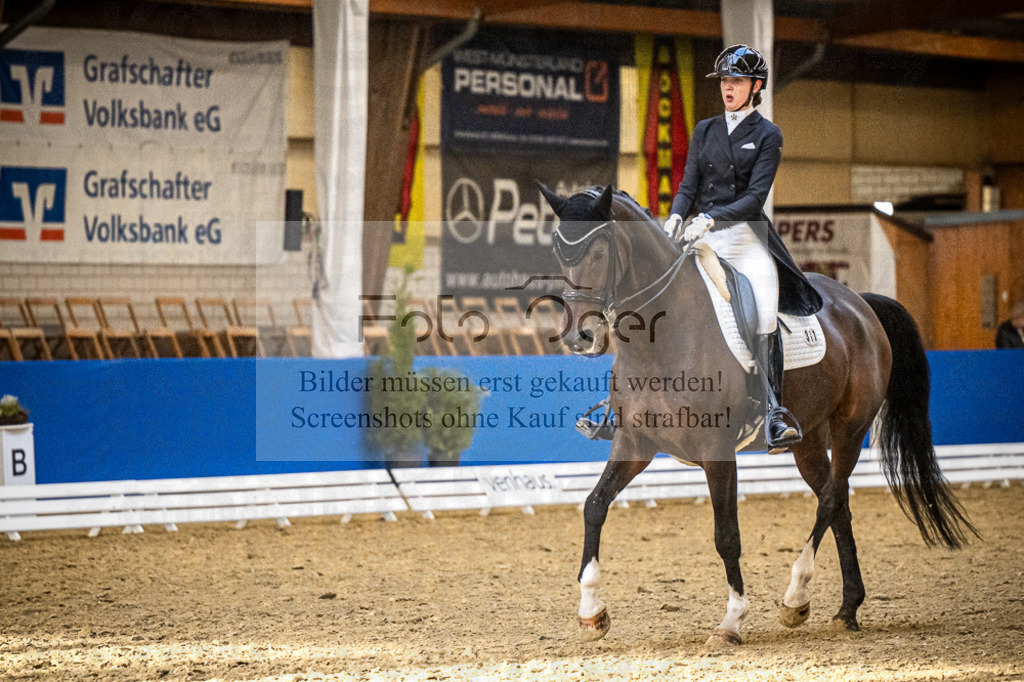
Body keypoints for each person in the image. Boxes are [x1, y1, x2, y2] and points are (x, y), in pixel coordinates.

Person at [663, 44, 823, 451]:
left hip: (745, 240)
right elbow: (688, 185)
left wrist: (711, 218)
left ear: (756, 87)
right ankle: (629, 399)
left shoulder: (768, 135)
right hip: (701, 237)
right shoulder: (705, 130)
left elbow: (754, 199)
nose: (727, 88)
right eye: (724, 81)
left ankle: (774, 411)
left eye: (736, 81)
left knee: (765, 311)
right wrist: (676, 216)